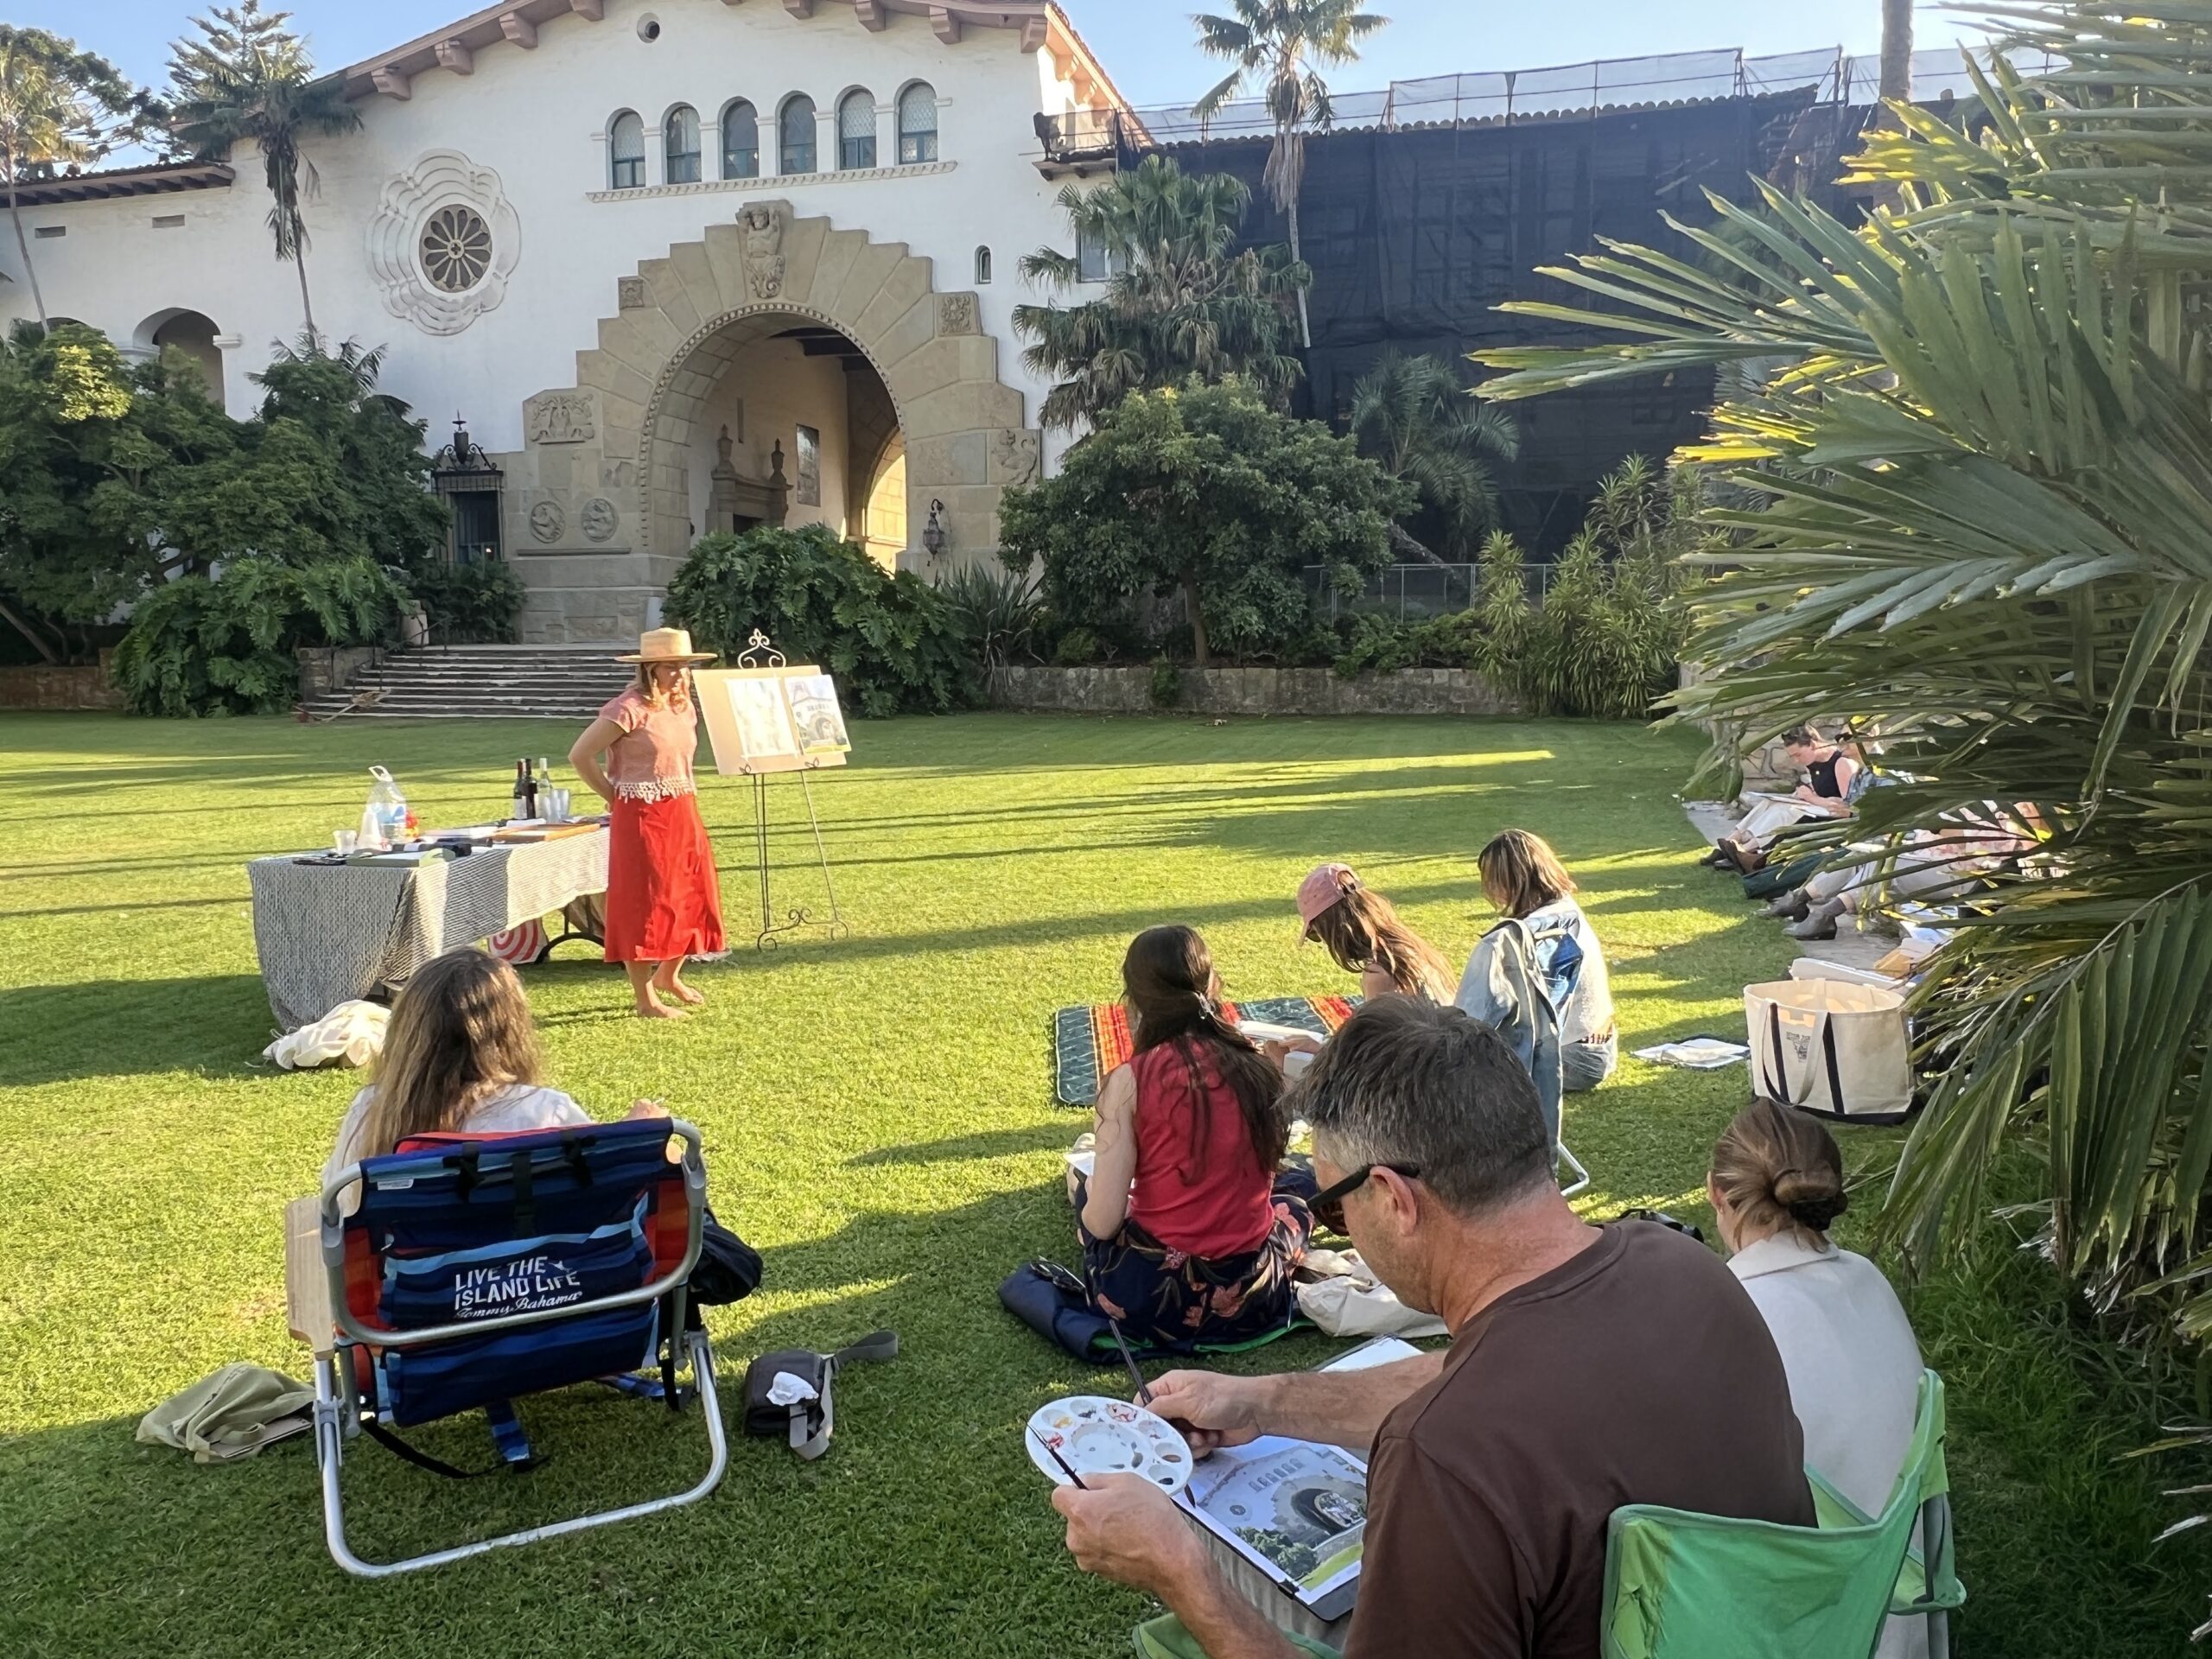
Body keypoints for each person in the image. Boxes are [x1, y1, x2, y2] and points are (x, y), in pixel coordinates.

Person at [1051, 998, 1813, 1656]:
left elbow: (1471, 1406)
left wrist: (1180, 1570)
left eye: (1331, 1206)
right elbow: (1474, 1376)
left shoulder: (1444, 1454)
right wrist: (1264, 1401)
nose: (1335, 1223)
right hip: (1761, 1632)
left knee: (1214, 1580)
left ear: (1392, 1198)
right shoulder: (1682, 1265)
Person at [1710, 1099, 1927, 1659]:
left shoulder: (1732, 1316)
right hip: (1906, 1598)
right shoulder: (1867, 1277)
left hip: (1822, 1614)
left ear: (1716, 1194)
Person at [1075, 926, 1316, 1349]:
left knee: (1086, 1191)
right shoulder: (1258, 1068)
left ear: (1135, 1000)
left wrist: (1095, 1197)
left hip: (1151, 1300)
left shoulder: (1129, 1081)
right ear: (1211, 984)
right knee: (1295, 1200)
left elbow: (1105, 1221)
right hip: (1253, 1293)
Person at [322, 949, 668, 1208]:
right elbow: (605, 1193)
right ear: (512, 1031)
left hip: (410, 1279)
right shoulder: (544, 1111)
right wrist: (639, 1135)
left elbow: (339, 1204)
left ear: (408, 1033)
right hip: (534, 1279)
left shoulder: (372, 1109)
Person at [569, 627, 727, 1019]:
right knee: (644, 901)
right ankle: (646, 1000)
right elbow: (580, 755)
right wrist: (613, 796)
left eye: (684, 666)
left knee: (692, 891)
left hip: (682, 807)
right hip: (640, 814)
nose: (680, 674)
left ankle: (669, 975)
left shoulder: (682, 707)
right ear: (649, 669)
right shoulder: (627, 708)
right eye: (670, 667)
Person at [1469, 828, 1616, 1092]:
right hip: (1595, 1046)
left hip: (1574, 1058)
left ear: (1514, 880)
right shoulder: (1563, 910)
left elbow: (1516, 1013)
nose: (1490, 888)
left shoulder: (1538, 930)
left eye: (1494, 879)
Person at [1707, 724, 1860, 873]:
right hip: (1819, 807)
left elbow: (1846, 806)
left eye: (1798, 755)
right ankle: (1733, 839)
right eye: (1793, 757)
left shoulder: (1842, 763)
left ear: (1813, 745)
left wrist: (1811, 797)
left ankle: (1744, 851)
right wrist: (1807, 792)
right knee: (1771, 802)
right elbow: (1823, 789)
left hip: (1832, 816)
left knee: (1786, 812)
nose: (1796, 761)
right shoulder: (1813, 762)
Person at [1295, 863, 1456, 1003]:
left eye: (1317, 935)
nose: (1325, 942)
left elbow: (1376, 1030)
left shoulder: (1379, 973)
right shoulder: (1409, 947)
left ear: (1334, 928)